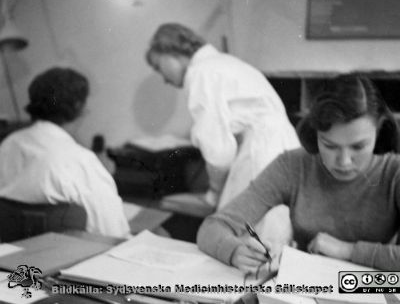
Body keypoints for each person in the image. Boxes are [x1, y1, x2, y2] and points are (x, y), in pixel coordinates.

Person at [197, 74, 400, 275]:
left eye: (358, 146)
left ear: (380, 131)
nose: (344, 161)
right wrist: (234, 251)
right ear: (315, 134)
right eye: (329, 145)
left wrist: (348, 250)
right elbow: (213, 227)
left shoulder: (395, 172)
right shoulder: (293, 165)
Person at [146, 23, 300, 210]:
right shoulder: (225, 63)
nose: (163, 79)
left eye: (158, 66)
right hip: (285, 151)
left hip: (259, 156)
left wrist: (214, 193)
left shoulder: (200, 73)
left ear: (171, 51)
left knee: (244, 233)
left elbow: (219, 153)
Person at [0, 67, 131, 238]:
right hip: (73, 255)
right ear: (79, 107)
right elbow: (113, 232)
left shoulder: (9, 144)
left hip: (17, 257)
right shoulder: (79, 160)